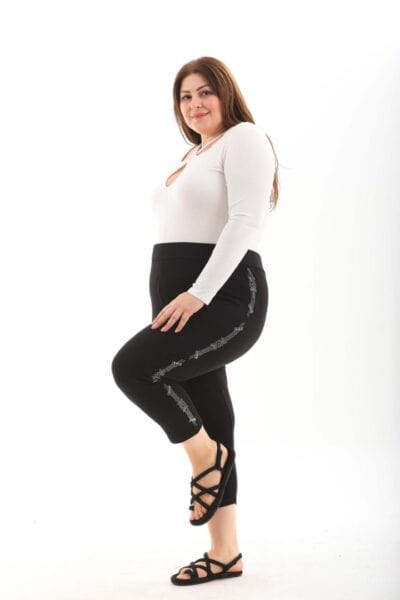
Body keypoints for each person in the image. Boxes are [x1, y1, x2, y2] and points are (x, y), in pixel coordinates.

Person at [111, 56, 280, 586]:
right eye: (185, 96)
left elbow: (246, 220)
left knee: (132, 369)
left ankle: (206, 456)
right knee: (211, 408)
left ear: (226, 93)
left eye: (205, 92)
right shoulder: (192, 155)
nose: (195, 103)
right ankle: (225, 552)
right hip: (182, 298)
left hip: (225, 297)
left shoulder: (244, 138)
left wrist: (198, 294)